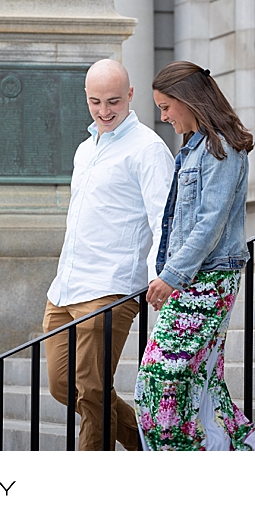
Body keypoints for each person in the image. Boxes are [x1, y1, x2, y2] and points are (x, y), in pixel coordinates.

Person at [43, 58, 174, 451]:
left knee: (93, 391)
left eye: (114, 101)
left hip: (110, 288)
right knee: (63, 385)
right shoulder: (86, 149)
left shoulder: (148, 149)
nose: (104, 111)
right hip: (66, 286)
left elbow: (163, 219)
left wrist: (160, 276)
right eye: (96, 102)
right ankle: (149, 445)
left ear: (131, 95)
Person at [134, 61, 255, 451]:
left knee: (160, 380)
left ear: (189, 101)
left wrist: (172, 275)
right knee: (200, 378)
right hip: (192, 280)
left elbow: (210, 224)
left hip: (209, 279)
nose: (163, 116)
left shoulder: (220, 147)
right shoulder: (193, 148)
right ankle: (237, 448)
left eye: (167, 106)